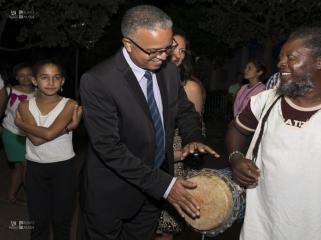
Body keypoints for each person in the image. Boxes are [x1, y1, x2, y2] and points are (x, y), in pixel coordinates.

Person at [226, 27, 321, 240]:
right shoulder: (265, 102)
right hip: (261, 232)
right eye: (281, 58)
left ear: (320, 61)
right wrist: (236, 158)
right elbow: (235, 130)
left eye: (290, 57)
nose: (281, 63)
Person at [78, 5, 219, 240]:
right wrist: (164, 185)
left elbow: (184, 110)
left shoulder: (168, 71)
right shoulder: (98, 81)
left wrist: (193, 136)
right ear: (128, 44)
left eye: (168, 48)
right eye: (154, 51)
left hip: (152, 195)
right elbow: (109, 149)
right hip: (112, 192)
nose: (164, 57)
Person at [15, 60, 82, 240]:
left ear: (63, 82)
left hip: (64, 168)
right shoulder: (24, 105)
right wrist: (68, 127)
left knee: (61, 222)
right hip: (35, 168)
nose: (51, 82)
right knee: (38, 222)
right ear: (35, 81)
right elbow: (37, 140)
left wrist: (20, 123)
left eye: (56, 78)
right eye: (44, 77)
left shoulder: (70, 104)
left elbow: (49, 133)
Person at [156, 28, 206, 240]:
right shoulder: (151, 79)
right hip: (151, 158)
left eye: (183, 51)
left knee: (166, 225)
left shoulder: (190, 86)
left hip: (176, 161)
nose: (178, 55)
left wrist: (176, 154)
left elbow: (194, 128)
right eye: (173, 48)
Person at [1, 63, 35, 203]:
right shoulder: (9, 90)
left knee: (18, 168)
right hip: (11, 133)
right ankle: (36, 199)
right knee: (28, 166)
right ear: (16, 77)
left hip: (31, 136)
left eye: (29, 74)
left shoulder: (39, 93)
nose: (25, 78)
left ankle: (12, 197)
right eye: (21, 75)